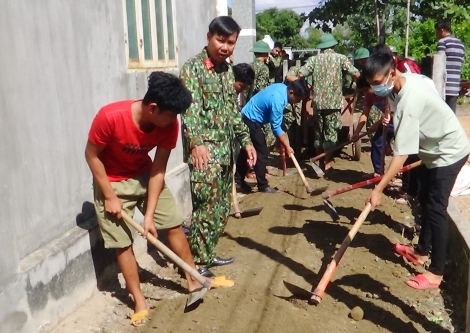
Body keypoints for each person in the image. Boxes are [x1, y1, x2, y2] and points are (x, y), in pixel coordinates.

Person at [85, 72, 217, 327]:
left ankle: (193, 279)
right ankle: (139, 300)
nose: (173, 121)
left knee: (174, 223)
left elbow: (158, 168)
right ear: (153, 108)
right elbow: (91, 156)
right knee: (122, 243)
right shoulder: (110, 117)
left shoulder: (170, 123)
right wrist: (110, 197)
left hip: (146, 174)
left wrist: (149, 215)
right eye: (170, 116)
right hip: (111, 181)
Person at [364, 51, 470, 290]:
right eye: (372, 85)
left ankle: (436, 273)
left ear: (392, 73)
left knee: (436, 207)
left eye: (378, 83)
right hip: (433, 151)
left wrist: (379, 189)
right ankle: (420, 252)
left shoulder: (409, 101)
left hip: (449, 152)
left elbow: (401, 154)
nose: (376, 89)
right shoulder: (408, 80)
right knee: (425, 198)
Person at [180, 16, 257, 278]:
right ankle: (196, 263)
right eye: (220, 40)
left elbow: (233, 113)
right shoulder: (194, 69)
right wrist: (196, 144)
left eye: (230, 42)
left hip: (225, 153)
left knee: (222, 208)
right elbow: (190, 111)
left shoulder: (227, 72)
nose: (225, 47)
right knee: (205, 208)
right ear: (209, 37)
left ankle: (207, 252)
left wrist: (245, 141)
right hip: (205, 154)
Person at [287, 34, 360, 175]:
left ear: (321, 48)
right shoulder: (341, 58)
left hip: (318, 103)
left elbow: (300, 75)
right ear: (333, 46)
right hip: (334, 104)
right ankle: (327, 165)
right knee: (331, 135)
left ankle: (319, 163)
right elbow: (355, 74)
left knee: (318, 134)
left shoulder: (313, 60)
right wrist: (365, 85)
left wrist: (304, 86)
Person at [235, 81, 310, 193]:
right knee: (261, 152)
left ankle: (238, 181)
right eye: (298, 99)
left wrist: (286, 143)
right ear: (291, 92)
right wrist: (287, 146)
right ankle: (263, 185)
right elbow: (276, 128)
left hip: (252, 117)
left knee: (248, 150)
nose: (298, 102)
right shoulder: (278, 100)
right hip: (250, 119)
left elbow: (278, 125)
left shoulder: (282, 88)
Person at [351, 74, 392, 177]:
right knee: (377, 142)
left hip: (399, 119)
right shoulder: (369, 96)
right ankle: (379, 172)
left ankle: (403, 176)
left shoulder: (387, 91)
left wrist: (377, 124)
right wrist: (356, 133)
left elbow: (393, 111)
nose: (365, 93)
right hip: (387, 121)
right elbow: (364, 114)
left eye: (365, 90)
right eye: (363, 91)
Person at [435, 19, 465, 113]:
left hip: (443, 86)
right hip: (455, 86)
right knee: (451, 116)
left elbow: (439, 63)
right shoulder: (461, 44)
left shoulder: (443, 42)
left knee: (441, 115)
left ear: (442, 30)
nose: (437, 35)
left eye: (437, 32)